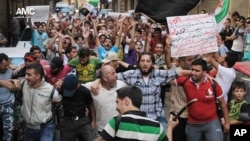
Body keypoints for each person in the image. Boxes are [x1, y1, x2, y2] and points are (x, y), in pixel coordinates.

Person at [174, 58, 230, 141]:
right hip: (193, 124)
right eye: (192, 70)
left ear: (204, 72)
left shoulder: (213, 84)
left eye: (197, 71)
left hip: (212, 123)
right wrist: (187, 72)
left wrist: (227, 123)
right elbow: (168, 77)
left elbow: (223, 104)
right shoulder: (185, 81)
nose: (193, 73)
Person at [6, 63, 62, 141]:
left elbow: (59, 100)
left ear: (38, 76)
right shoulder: (24, 84)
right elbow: (11, 85)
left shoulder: (50, 90)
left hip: (45, 128)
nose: (26, 77)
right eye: (26, 74)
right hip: (28, 128)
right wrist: (11, 80)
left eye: (29, 75)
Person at [96, 85, 168, 141]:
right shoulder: (157, 127)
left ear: (126, 100)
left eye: (117, 102)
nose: (116, 107)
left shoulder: (117, 121)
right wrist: (170, 128)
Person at [84, 65, 127, 132]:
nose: (116, 75)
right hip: (101, 130)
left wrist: (97, 80)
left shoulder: (121, 85)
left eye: (115, 72)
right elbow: (76, 86)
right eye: (113, 73)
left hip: (119, 129)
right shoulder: (92, 87)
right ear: (105, 78)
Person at [60, 74, 96, 141]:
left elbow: (91, 105)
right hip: (68, 122)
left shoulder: (85, 92)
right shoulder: (62, 88)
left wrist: (93, 121)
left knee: (92, 139)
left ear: (77, 86)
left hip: (82, 121)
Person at [169, 55, 194, 141]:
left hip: (192, 115)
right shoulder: (175, 71)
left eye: (193, 59)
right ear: (182, 62)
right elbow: (171, 66)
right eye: (189, 60)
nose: (192, 61)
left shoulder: (194, 71)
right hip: (178, 113)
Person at [0, 53, 15, 141]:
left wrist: (17, 67)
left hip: (8, 105)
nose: (7, 67)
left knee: (8, 132)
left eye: (8, 65)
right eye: (5, 65)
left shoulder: (11, 72)